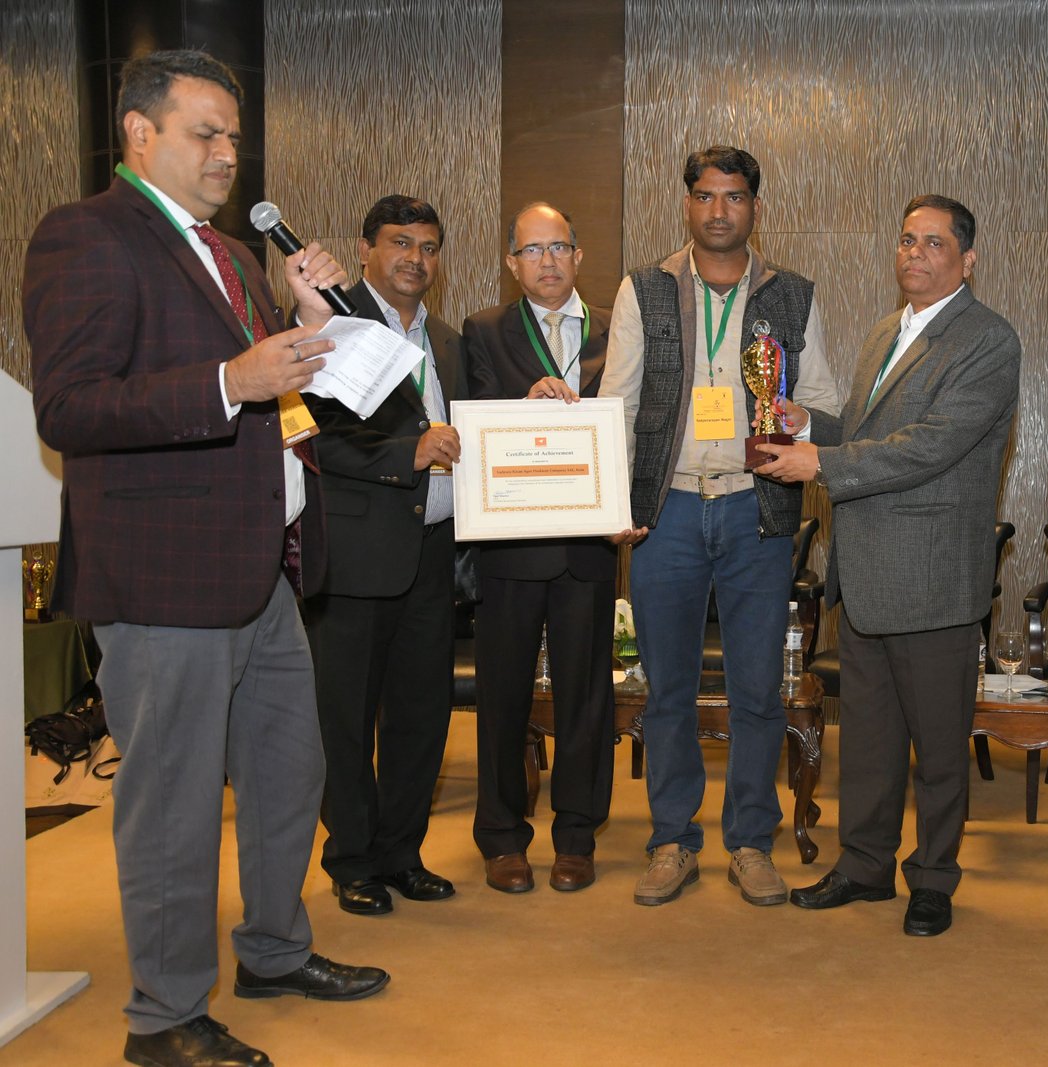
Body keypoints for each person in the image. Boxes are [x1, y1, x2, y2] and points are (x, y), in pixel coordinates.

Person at [25, 49, 387, 1067]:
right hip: (165, 573)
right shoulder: (87, 235)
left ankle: (273, 950)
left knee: (288, 772)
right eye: (206, 132)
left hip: (263, 564)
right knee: (174, 803)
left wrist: (306, 327)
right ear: (140, 133)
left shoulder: (229, 253)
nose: (229, 151)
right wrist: (232, 379)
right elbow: (71, 407)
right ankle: (164, 1014)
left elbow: (274, 394)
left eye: (234, 134)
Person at [763, 194, 1020, 937]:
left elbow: (932, 445)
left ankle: (933, 878)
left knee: (938, 748)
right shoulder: (886, 331)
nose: (915, 253)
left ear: (967, 259)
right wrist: (809, 424)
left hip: (933, 576)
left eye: (934, 243)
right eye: (907, 240)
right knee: (869, 742)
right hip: (868, 569)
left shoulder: (988, 339)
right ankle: (865, 864)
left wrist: (820, 461)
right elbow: (869, 430)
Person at [599, 145, 839, 907]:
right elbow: (619, 402)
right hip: (666, 509)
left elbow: (826, 403)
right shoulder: (643, 289)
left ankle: (751, 841)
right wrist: (615, 503)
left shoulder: (793, 295)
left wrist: (798, 415)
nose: (719, 210)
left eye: (734, 197)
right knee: (666, 687)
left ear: (755, 208)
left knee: (757, 690)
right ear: (687, 204)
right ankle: (672, 839)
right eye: (705, 196)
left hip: (753, 508)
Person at [301, 195, 462, 916]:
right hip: (357, 552)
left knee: (421, 716)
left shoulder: (447, 340)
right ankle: (352, 858)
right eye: (399, 242)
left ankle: (402, 853)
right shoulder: (333, 327)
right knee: (346, 716)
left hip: (433, 550)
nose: (414, 259)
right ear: (365, 248)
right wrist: (409, 452)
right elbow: (317, 438)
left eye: (427, 246)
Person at [461, 203, 617, 894]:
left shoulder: (617, 328)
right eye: (532, 250)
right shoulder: (483, 330)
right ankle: (502, 837)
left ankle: (577, 836)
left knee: (587, 698)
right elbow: (472, 421)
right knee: (502, 696)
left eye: (559, 247)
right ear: (511, 262)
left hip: (589, 543)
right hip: (511, 543)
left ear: (579, 256)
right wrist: (523, 406)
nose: (547, 261)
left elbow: (633, 423)